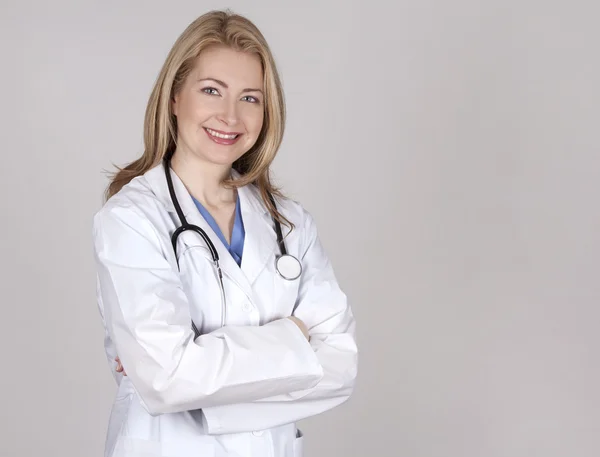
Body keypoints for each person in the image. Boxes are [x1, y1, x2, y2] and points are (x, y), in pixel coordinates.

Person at [92, 9, 358, 457]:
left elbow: (341, 365)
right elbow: (165, 376)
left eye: (250, 98)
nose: (230, 115)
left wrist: (200, 380)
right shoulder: (131, 219)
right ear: (175, 96)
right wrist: (294, 340)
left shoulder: (290, 224)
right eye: (211, 90)